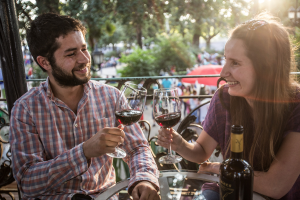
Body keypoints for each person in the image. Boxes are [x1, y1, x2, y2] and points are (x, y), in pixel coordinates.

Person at [9, 13, 160, 200]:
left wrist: (143, 180)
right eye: (71, 54)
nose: (84, 59)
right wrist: (83, 152)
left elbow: (138, 148)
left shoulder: (111, 96)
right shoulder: (25, 109)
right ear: (44, 62)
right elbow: (27, 181)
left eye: (84, 49)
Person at [156, 12, 300, 200]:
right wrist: (179, 144)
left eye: (235, 63)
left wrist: (218, 168)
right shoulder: (224, 97)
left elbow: (275, 185)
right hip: (228, 192)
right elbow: (201, 153)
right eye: (225, 60)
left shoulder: (296, 105)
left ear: (266, 67)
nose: (223, 72)